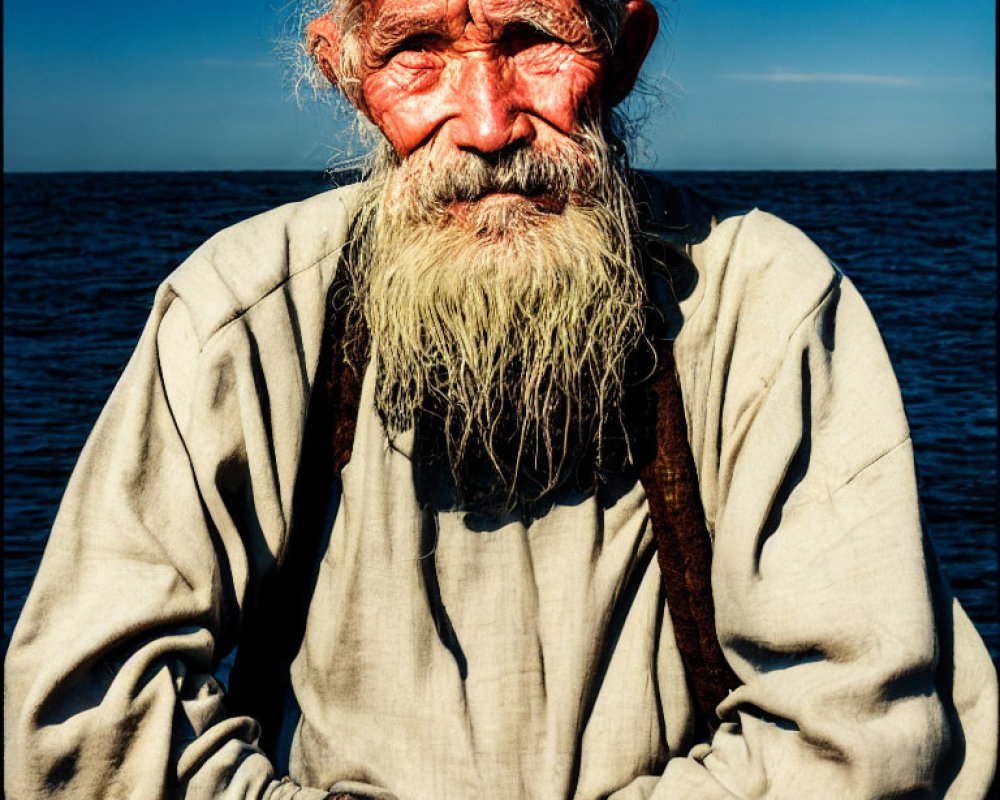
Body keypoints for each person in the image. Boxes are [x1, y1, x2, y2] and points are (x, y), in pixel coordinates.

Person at [4, 0, 997, 797]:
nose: (486, 123)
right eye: (416, 53)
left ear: (624, 48)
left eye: (534, 42)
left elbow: (859, 729)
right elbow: (88, 717)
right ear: (342, 70)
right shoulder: (241, 311)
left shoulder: (768, 304)